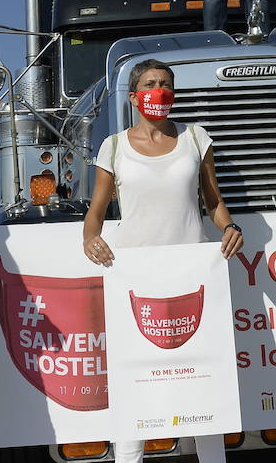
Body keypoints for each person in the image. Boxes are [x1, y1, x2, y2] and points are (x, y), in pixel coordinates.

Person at [82, 58, 244, 463]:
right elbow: (96, 210)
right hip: (135, 278)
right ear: (135, 96)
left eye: (167, 83)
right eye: (152, 83)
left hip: (192, 274)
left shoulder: (195, 138)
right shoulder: (113, 146)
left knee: (202, 379)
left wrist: (228, 227)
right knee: (135, 381)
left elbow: (214, 200)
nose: (161, 90)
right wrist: (89, 236)